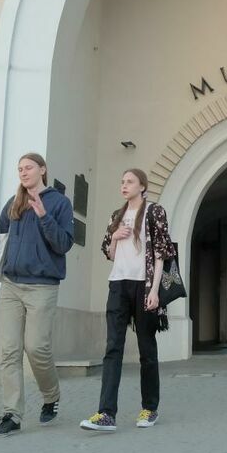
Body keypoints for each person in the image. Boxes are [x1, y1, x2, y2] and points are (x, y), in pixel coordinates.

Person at [0, 153, 75, 438]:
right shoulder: (13, 204)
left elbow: (63, 244)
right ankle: (11, 413)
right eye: (20, 169)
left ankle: (51, 395)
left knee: (36, 348)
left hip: (42, 287)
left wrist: (44, 216)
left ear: (43, 170)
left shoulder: (59, 203)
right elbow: (3, 243)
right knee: (9, 351)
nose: (23, 172)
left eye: (29, 167)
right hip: (11, 285)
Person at [81, 168, 176, 432]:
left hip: (144, 285)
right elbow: (109, 254)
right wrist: (114, 237)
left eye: (130, 182)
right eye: (122, 181)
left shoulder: (154, 211)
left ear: (142, 186)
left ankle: (149, 408)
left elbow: (161, 253)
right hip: (118, 285)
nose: (124, 185)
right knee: (113, 348)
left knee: (147, 349)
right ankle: (106, 413)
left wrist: (155, 290)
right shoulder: (117, 215)